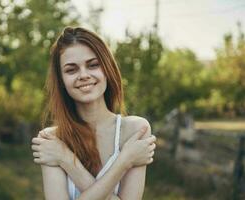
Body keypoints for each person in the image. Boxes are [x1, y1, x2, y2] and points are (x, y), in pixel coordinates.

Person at [31, 27, 156, 200]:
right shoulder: (52, 140)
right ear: (61, 80)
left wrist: (66, 160)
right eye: (71, 70)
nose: (83, 75)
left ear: (107, 69)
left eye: (93, 65)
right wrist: (124, 161)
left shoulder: (136, 130)